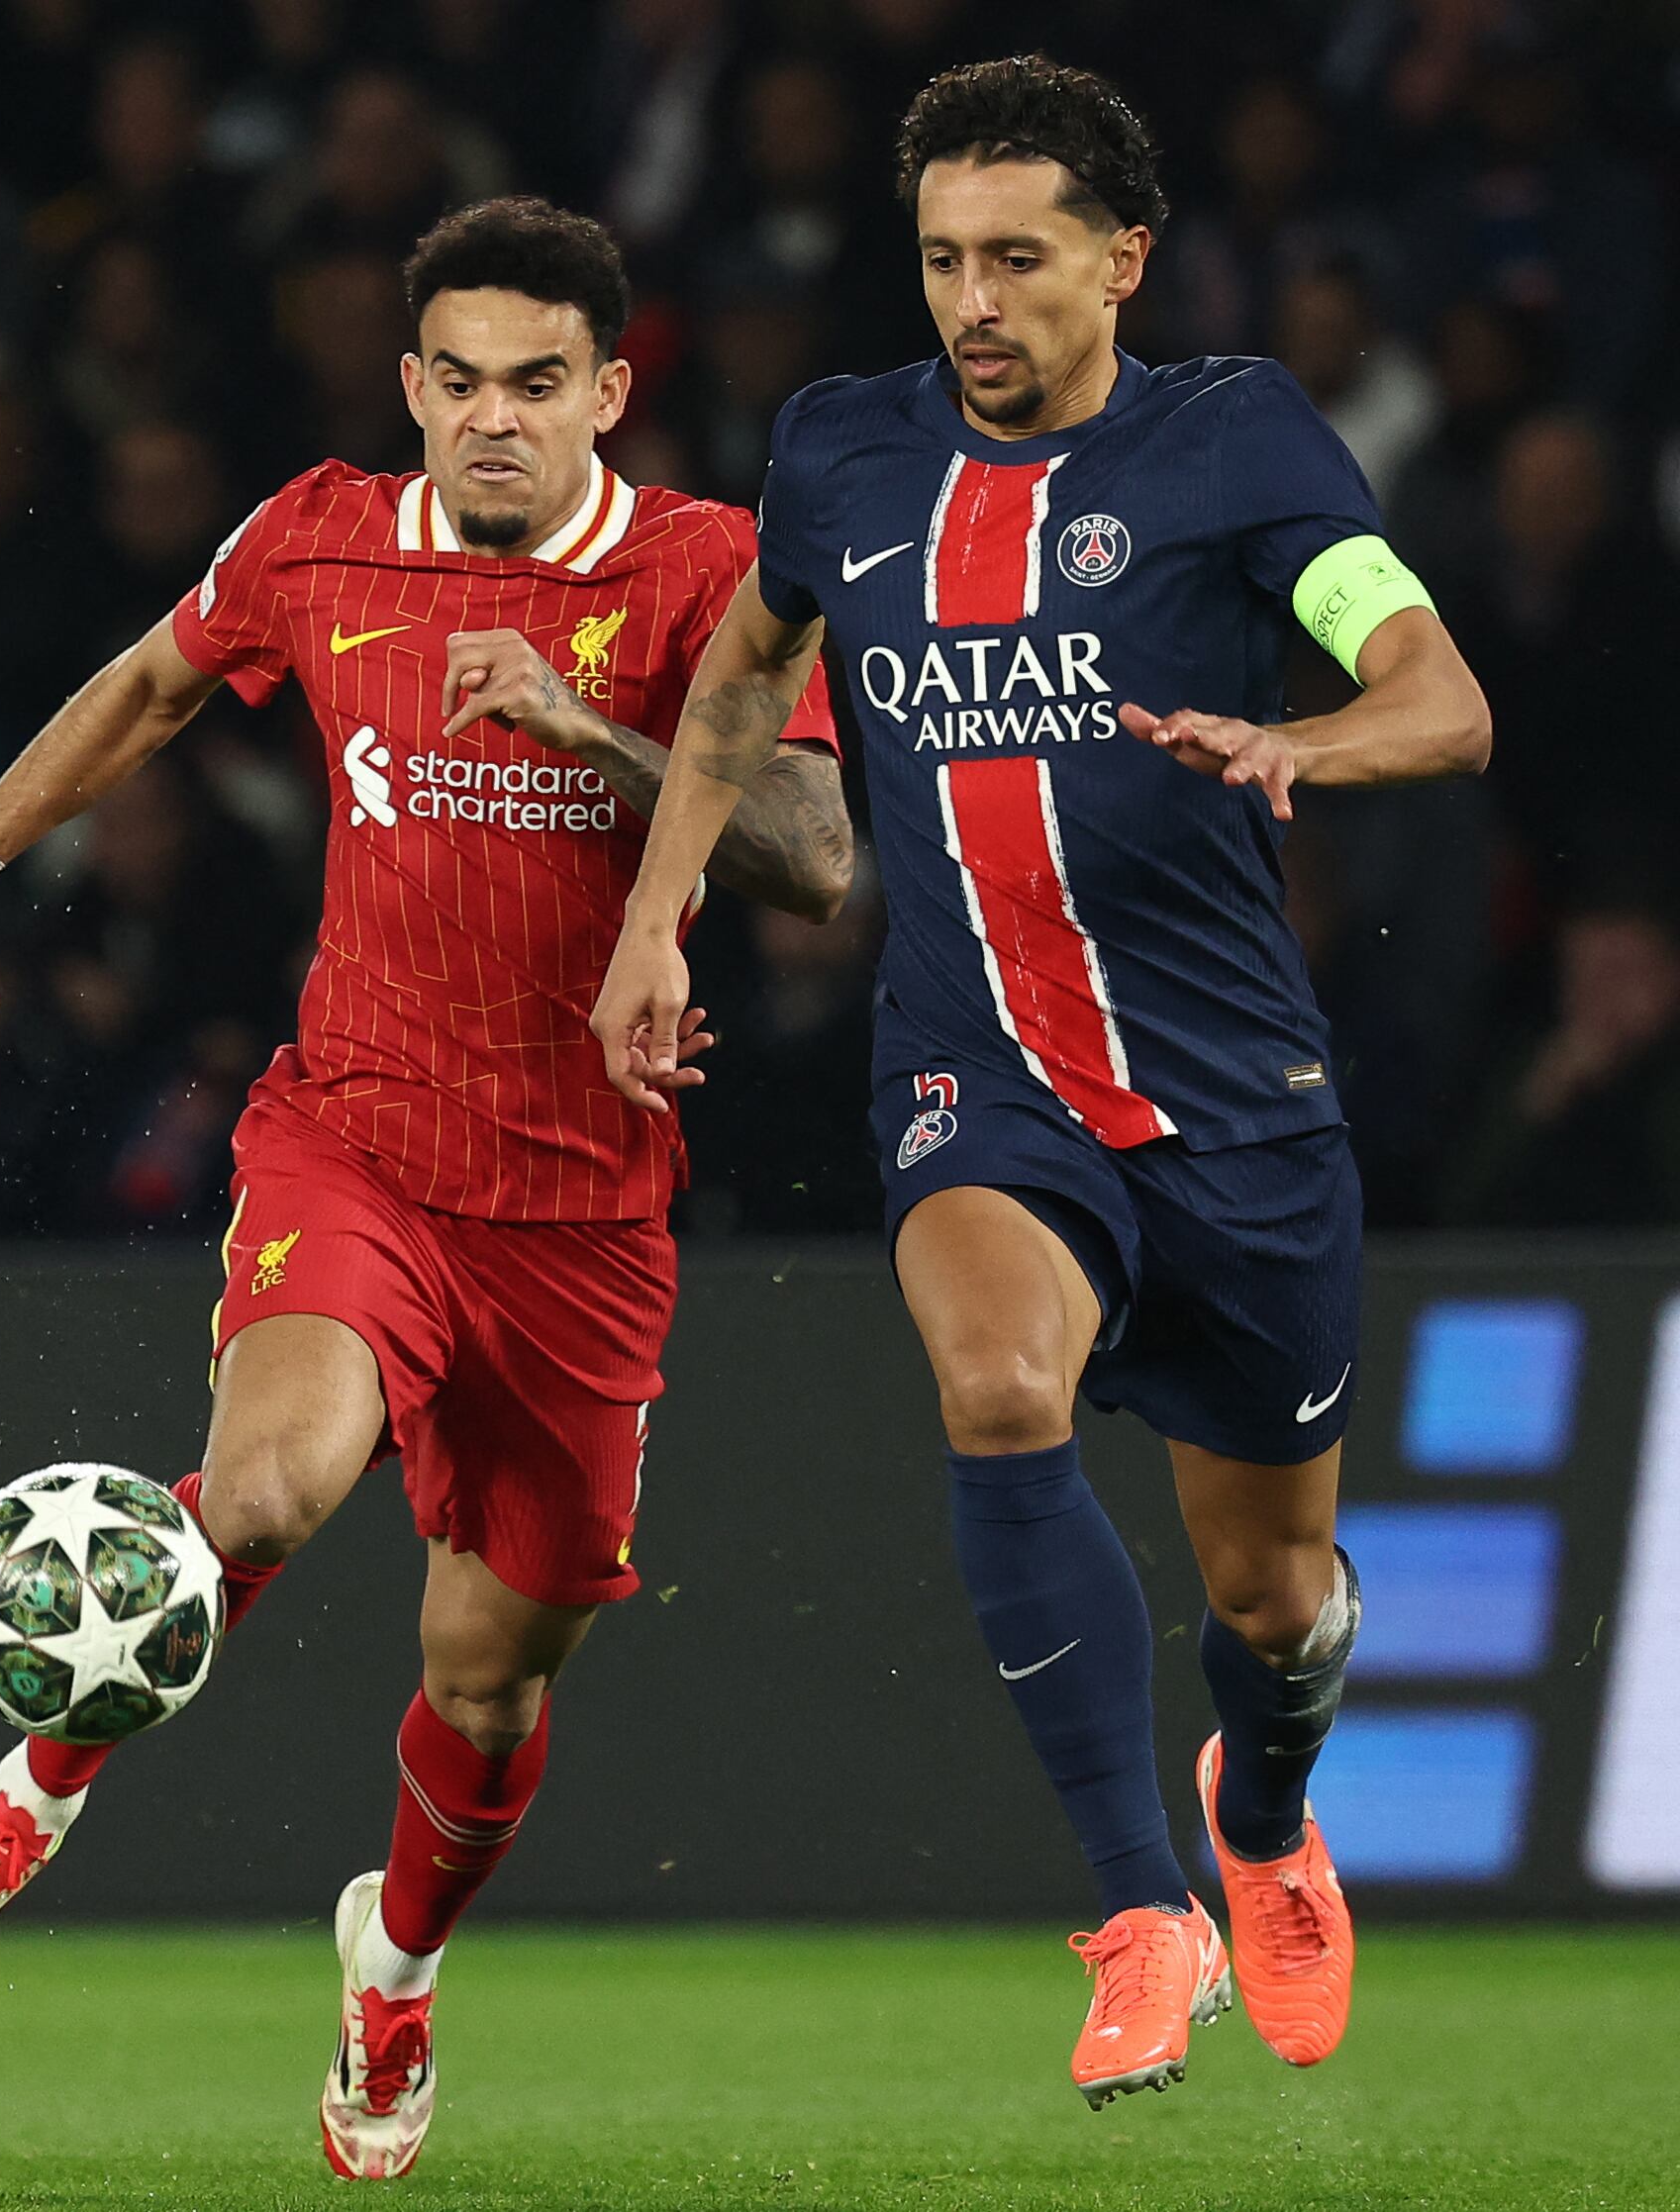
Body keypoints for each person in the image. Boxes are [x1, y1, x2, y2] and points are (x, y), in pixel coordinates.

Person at [0, 197, 851, 2178]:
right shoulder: (315, 534)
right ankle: (32, 1789)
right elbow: (148, 685)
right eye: (458, 381)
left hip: (581, 1212)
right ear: (411, 385)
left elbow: (815, 851)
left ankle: (390, 1967)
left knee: (487, 1684)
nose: (494, 419)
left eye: (537, 384)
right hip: (358, 1140)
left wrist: (588, 724)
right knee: (265, 1488)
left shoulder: (705, 575)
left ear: (610, 392)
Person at [591, 58, 1491, 2102]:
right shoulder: (840, 453)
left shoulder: (1238, 444)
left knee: (1273, 1601)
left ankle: (1259, 1815)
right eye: (939, 261)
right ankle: (1137, 1904)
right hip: (976, 1070)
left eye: (1016, 258)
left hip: (1237, 1103)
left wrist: (1303, 747)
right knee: (997, 1383)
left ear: (1123, 260)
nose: (970, 301)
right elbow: (745, 671)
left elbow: (1437, 696)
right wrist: (655, 917)